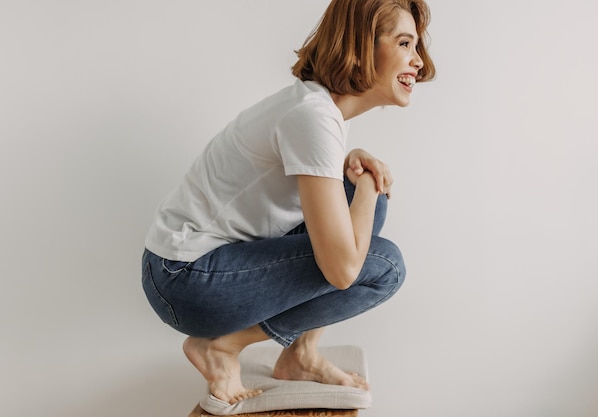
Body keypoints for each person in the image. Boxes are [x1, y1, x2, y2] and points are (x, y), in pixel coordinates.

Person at [141, 0, 435, 405]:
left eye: (417, 46)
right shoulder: (312, 117)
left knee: (362, 204)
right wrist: (367, 186)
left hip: (200, 268)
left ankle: (300, 353)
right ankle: (221, 346)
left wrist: (355, 178)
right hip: (184, 279)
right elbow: (343, 271)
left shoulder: (319, 111)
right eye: (405, 43)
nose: (418, 61)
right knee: (384, 266)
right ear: (362, 44)